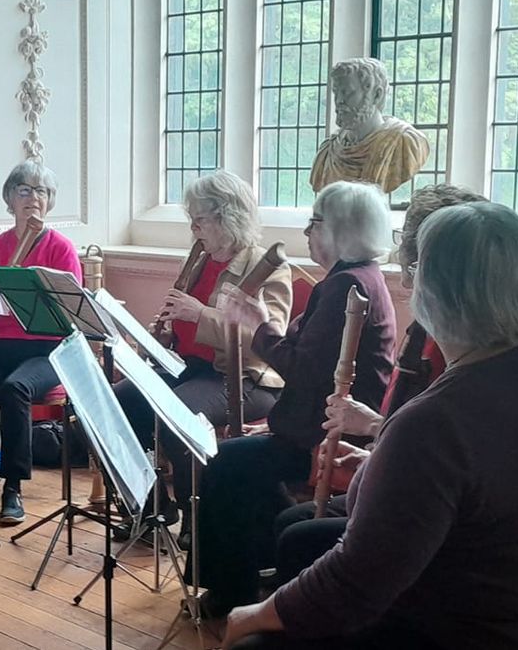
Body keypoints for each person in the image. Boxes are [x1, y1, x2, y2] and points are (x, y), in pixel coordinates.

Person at [224, 202, 518, 649]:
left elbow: (354, 584)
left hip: (473, 629)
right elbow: (491, 486)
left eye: (414, 273)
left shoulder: (436, 420)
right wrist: (380, 463)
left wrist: (253, 613)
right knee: (302, 543)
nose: (408, 285)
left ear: (436, 295)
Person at [191, 180, 397, 618]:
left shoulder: (345, 285)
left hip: (329, 437)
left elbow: (303, 371)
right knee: (239, 463)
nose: (306, 231)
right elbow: (311, 365)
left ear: (340, 230)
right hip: (314, 423)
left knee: (224, 464)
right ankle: (259, 571)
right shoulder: (357, 277)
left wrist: (260, 323)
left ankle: (230, 593)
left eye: (314, 222)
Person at [268, 183, 485, 535]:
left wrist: (375, 430)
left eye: (414, 262)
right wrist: (377, 445)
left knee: (291, 529)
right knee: (288, 523)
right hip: (391, 461)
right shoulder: (432, 326)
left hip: (430, 510)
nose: (408, 277)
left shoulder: (465, 342)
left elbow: (449, 449)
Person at [115, 170, 291, 523]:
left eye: (200, 221)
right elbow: (182, 325)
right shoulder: (196, 260)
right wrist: (164, 336)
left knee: (178, 413)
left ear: (229, 217)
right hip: (190, 368)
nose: (193, 229)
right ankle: (150, 507)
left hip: (245, 378)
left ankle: (195, 516)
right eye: (191, 220)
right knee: (119, 402)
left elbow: (268, 340)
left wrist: (200, 315)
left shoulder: (268, 268)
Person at [0, 161, 83, 526]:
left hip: (47, 352)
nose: (33, 198)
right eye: (24, 190)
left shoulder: (61, 248)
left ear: (50, 201)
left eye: (41, 191)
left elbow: (70, 315)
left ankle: (13, 485)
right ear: (10, 199)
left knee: (14, 389)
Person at [307, 58, 430, 193]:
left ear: (377, 95)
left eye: (347, 92)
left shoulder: (405, 143)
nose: (339, 101)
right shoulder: (327, 151)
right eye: (336, 92)